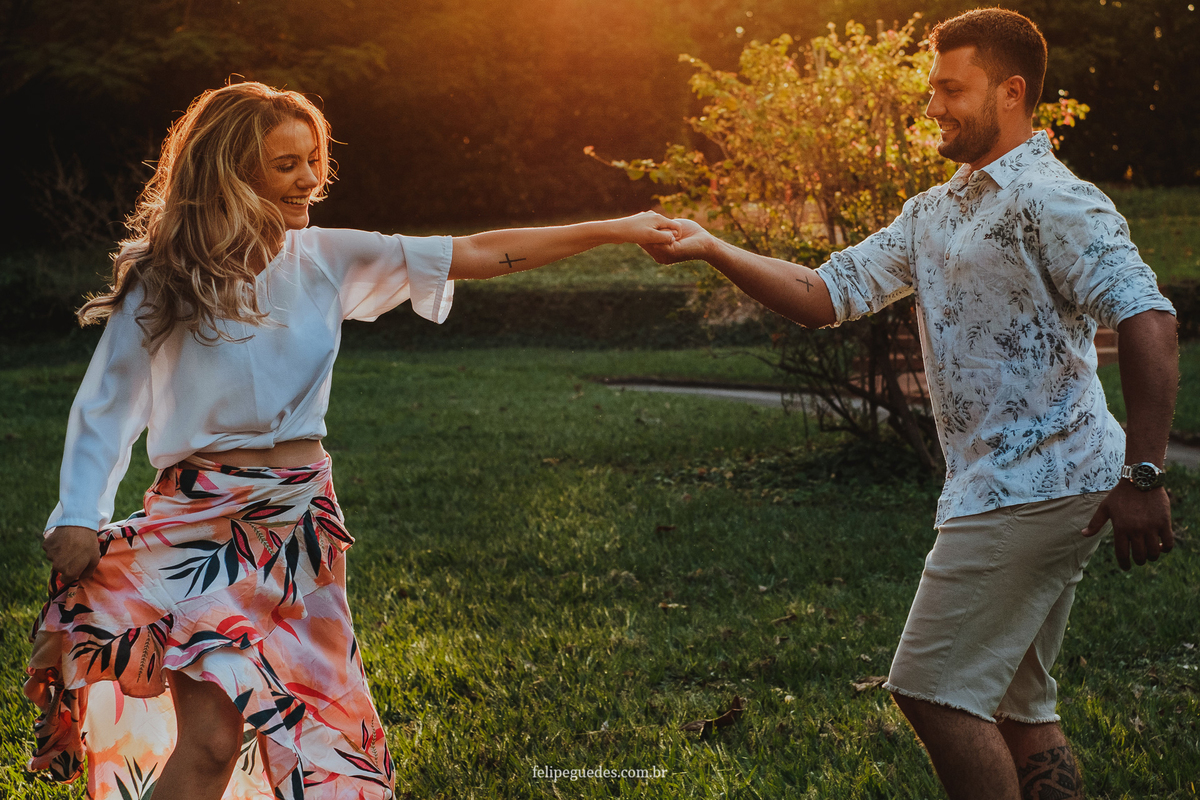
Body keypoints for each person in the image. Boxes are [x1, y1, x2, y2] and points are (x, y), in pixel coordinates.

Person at [27, 80, 681, 800]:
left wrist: (616, 227)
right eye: (287, 164)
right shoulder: (166, 279)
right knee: (213, 742)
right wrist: (78, 512)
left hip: (301, 529)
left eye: (314, 160)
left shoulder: (327, 259)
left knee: (330, 747)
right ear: (231, 172)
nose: (311, 178)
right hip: (200, 531)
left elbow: (486, 252)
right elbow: (108, 404)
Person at [641, 9, 1177, 800]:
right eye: (932, 89)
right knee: (1016, 706)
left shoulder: (1052, 199)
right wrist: (716, 246)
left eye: (952, 89)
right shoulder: (937, 210)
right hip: (1007, 487)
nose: (933, 106)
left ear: (1012, 92)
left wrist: (1145, 474)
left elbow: (1149, 316)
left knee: (931, 690)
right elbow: (826, 294)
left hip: (1034, 486)